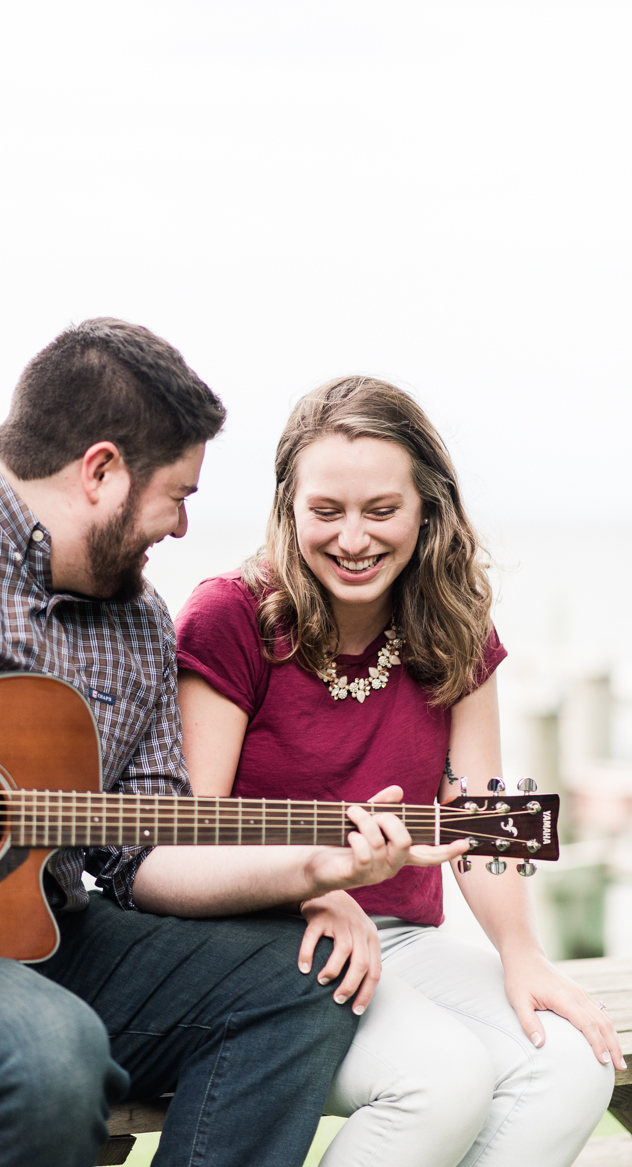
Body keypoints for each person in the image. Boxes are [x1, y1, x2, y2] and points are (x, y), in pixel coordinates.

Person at [0, 322, 465, 1167]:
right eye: (177, 493)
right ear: (101, 472)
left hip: (39, 938)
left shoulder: (137, 625)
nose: (181, 523)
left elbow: (147, 852)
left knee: (302, 978)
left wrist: (318, 869)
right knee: (44, 1051)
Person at [175, 375, 624, 1167]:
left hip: (407, 938)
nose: (353, 538)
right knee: (442, 1080)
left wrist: (521, 949)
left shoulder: (453, 622)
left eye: (381, 510)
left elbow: (481, 811)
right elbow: (190, 832)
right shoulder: (230, 618)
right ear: (288, 509)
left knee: (571, 1060)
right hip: (267, 941)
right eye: (326, 511)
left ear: (428, 508)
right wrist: (315, 883)